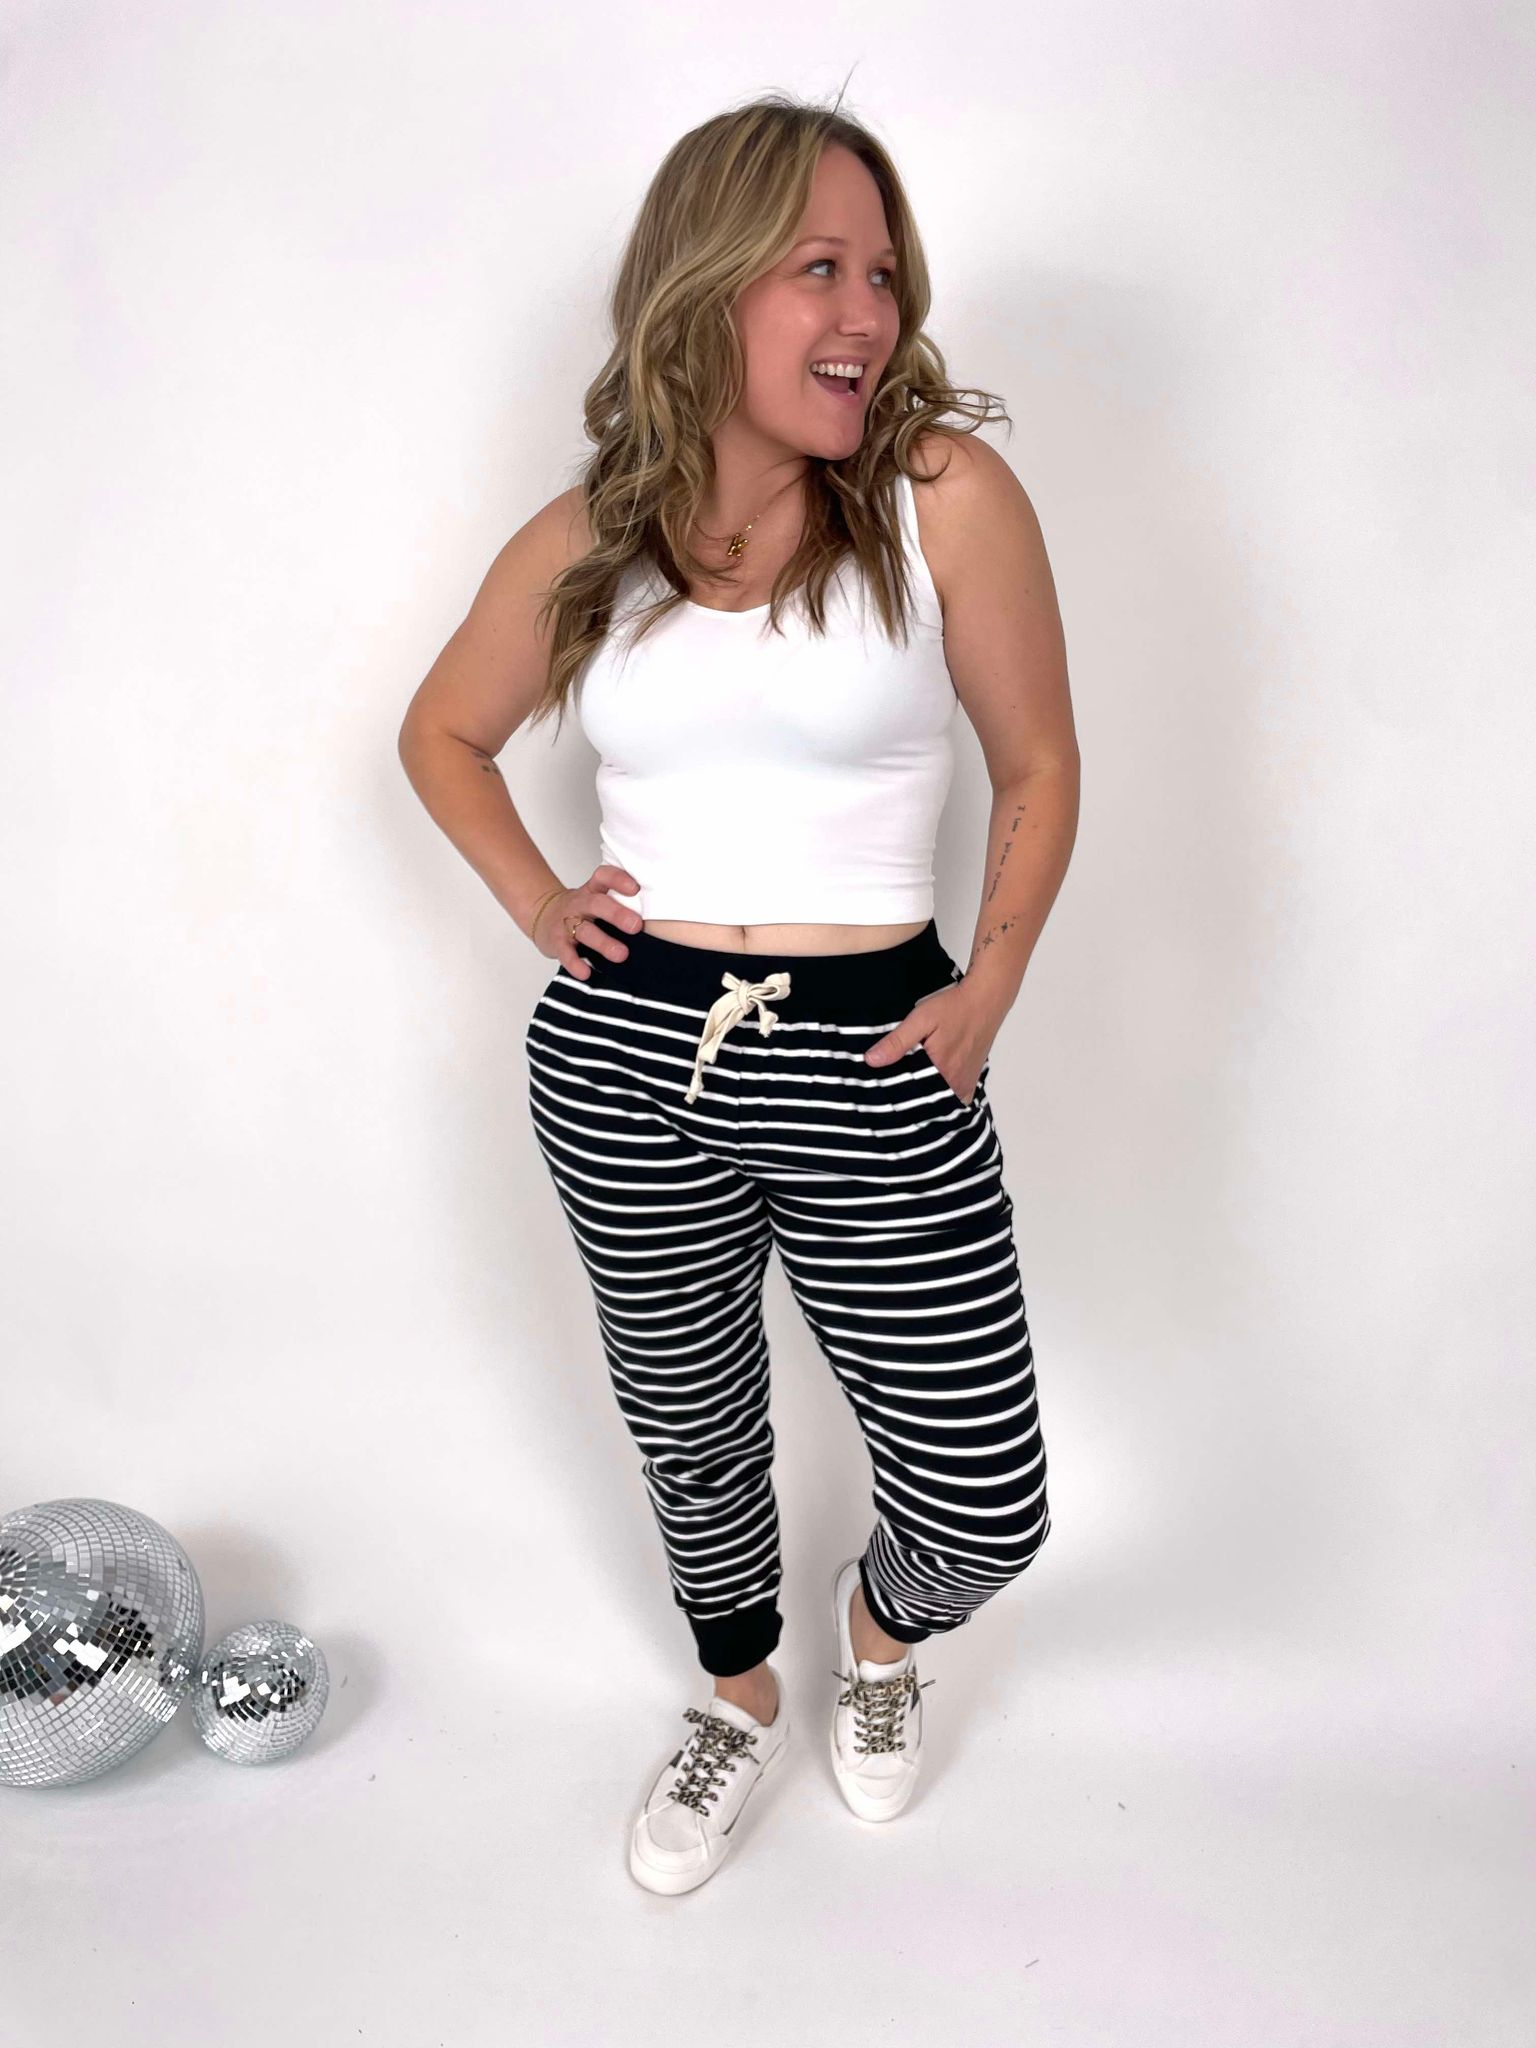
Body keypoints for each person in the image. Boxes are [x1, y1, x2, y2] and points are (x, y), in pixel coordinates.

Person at [398, 92, 1078, 1894]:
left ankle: (879, 1635)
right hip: (624, 1051)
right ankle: (738, 1695)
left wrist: (990, 990)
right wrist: (541, 901)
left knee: (986, 1496)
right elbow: (440, 733)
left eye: (884, 274)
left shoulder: (941, 502)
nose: (868, 314)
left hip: (881, 1046)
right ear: (708, 287)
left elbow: (1038, 763)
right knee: (691, 1430)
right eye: (819, 269)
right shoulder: (593, 538)